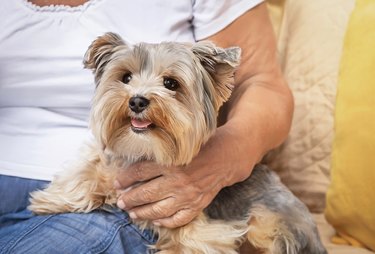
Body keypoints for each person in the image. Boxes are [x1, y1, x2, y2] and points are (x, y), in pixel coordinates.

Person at [0, 0, 293, 253]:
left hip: (128, 197)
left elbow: (261, 83)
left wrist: (215, 163)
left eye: (170, 83)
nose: (138, 96)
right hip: (73, 182)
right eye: (125, 78)